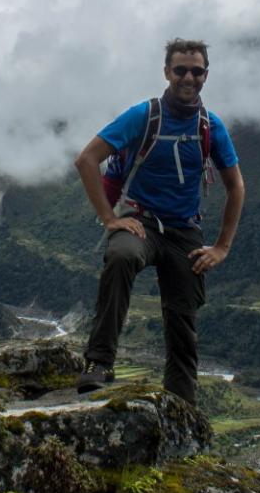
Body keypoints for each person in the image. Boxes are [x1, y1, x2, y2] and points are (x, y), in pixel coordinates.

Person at [72, 38, 245, 405]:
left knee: (183, 320)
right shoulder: (143, 116)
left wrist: (222, 247)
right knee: (120, 257)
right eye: (180, 69)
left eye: (196, 71)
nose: (188, 77)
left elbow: (236, 187)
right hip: (140, 221)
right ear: (166, 72)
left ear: (206, 76)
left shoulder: (210, 127)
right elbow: (87, 159)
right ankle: (99, 363)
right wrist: (109, 218)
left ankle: (181, 405)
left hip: (184, 230)